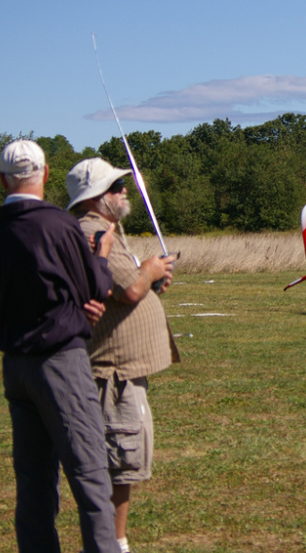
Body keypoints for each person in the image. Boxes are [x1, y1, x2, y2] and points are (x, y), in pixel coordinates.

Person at [0, 140, 122, 553]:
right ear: (45, 173)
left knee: (34, 480)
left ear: (4, 179)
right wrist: (102, 256)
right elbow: (95, 288)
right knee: (91, 474)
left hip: (16, 367)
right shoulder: (59, 225)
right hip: (60, 362)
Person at [66, 157, 179, 553]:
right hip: (112, 373)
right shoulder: (91, 233)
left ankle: (113, 543)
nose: (124, 192)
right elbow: (130, 290)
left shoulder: (107, 232)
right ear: (96, 198)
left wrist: (150, 276)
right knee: (118, 460)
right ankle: (111, 545)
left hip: (124, 371)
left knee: (124, 461)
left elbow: (124, 288)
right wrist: (147, 273)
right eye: (116, 187)